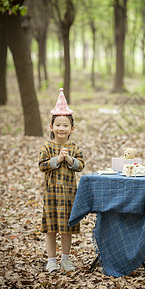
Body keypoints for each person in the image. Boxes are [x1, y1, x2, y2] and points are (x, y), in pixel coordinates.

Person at [39, 88, 85, 273]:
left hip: (68, 195)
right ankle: (51, 260)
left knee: (66, 228)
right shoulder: (47, 146)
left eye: (65, 125)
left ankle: (65, 259)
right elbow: (42, 165)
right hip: (51, 194)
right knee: (51, 229)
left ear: (71, 129)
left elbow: (81, 165)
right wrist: (56, 160)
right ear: (51, 127)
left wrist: (69, 160)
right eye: (57, 125)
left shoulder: (73, 147)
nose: (61, 128)